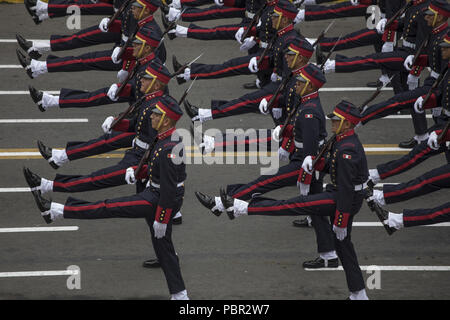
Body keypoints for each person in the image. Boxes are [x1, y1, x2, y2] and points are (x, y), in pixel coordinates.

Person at [197, 101, 370, 300]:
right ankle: (358, 294)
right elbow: (331, 165)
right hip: (338, 195)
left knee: (292, 205)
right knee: (343, 245)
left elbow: (347, 190)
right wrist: (316, 163)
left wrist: (340, 221)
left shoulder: (348, 149)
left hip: (341, 199)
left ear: (347, 124)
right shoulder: (341, 139)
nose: (331, 122)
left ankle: (240, 207)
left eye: (336, 120)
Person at [27, 95, 189, 300]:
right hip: (156, 193)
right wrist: (139, 173)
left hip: (158, 199)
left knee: (108, 206)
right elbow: (159, 171)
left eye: (157, 115)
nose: (152, 117)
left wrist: (162, 218)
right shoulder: (164, 137)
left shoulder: (169, 148)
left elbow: (168, 187)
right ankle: (180, 295)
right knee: (163, 247)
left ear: (166, 120)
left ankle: (57, 211)